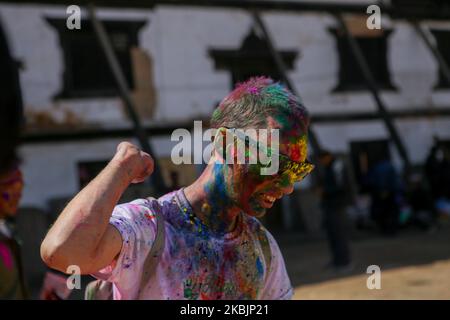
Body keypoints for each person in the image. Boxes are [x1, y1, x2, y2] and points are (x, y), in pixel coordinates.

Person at [40, 77, 314, 300]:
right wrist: (121, 167)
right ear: (226, 144)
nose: (288, 186)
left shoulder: (262, 246)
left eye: (296, 171)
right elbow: (62, 251)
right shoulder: (149, 228)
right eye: (274, 164)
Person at [317, 150, 352, 272]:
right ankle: (337, 260)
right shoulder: (328, 167)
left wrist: (325, 191)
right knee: (332, 234)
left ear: (327, 157)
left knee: (339, 234)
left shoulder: (337, 166)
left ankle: (344, 262)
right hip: (330, 205)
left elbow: (341, 186)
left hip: (338, 205)